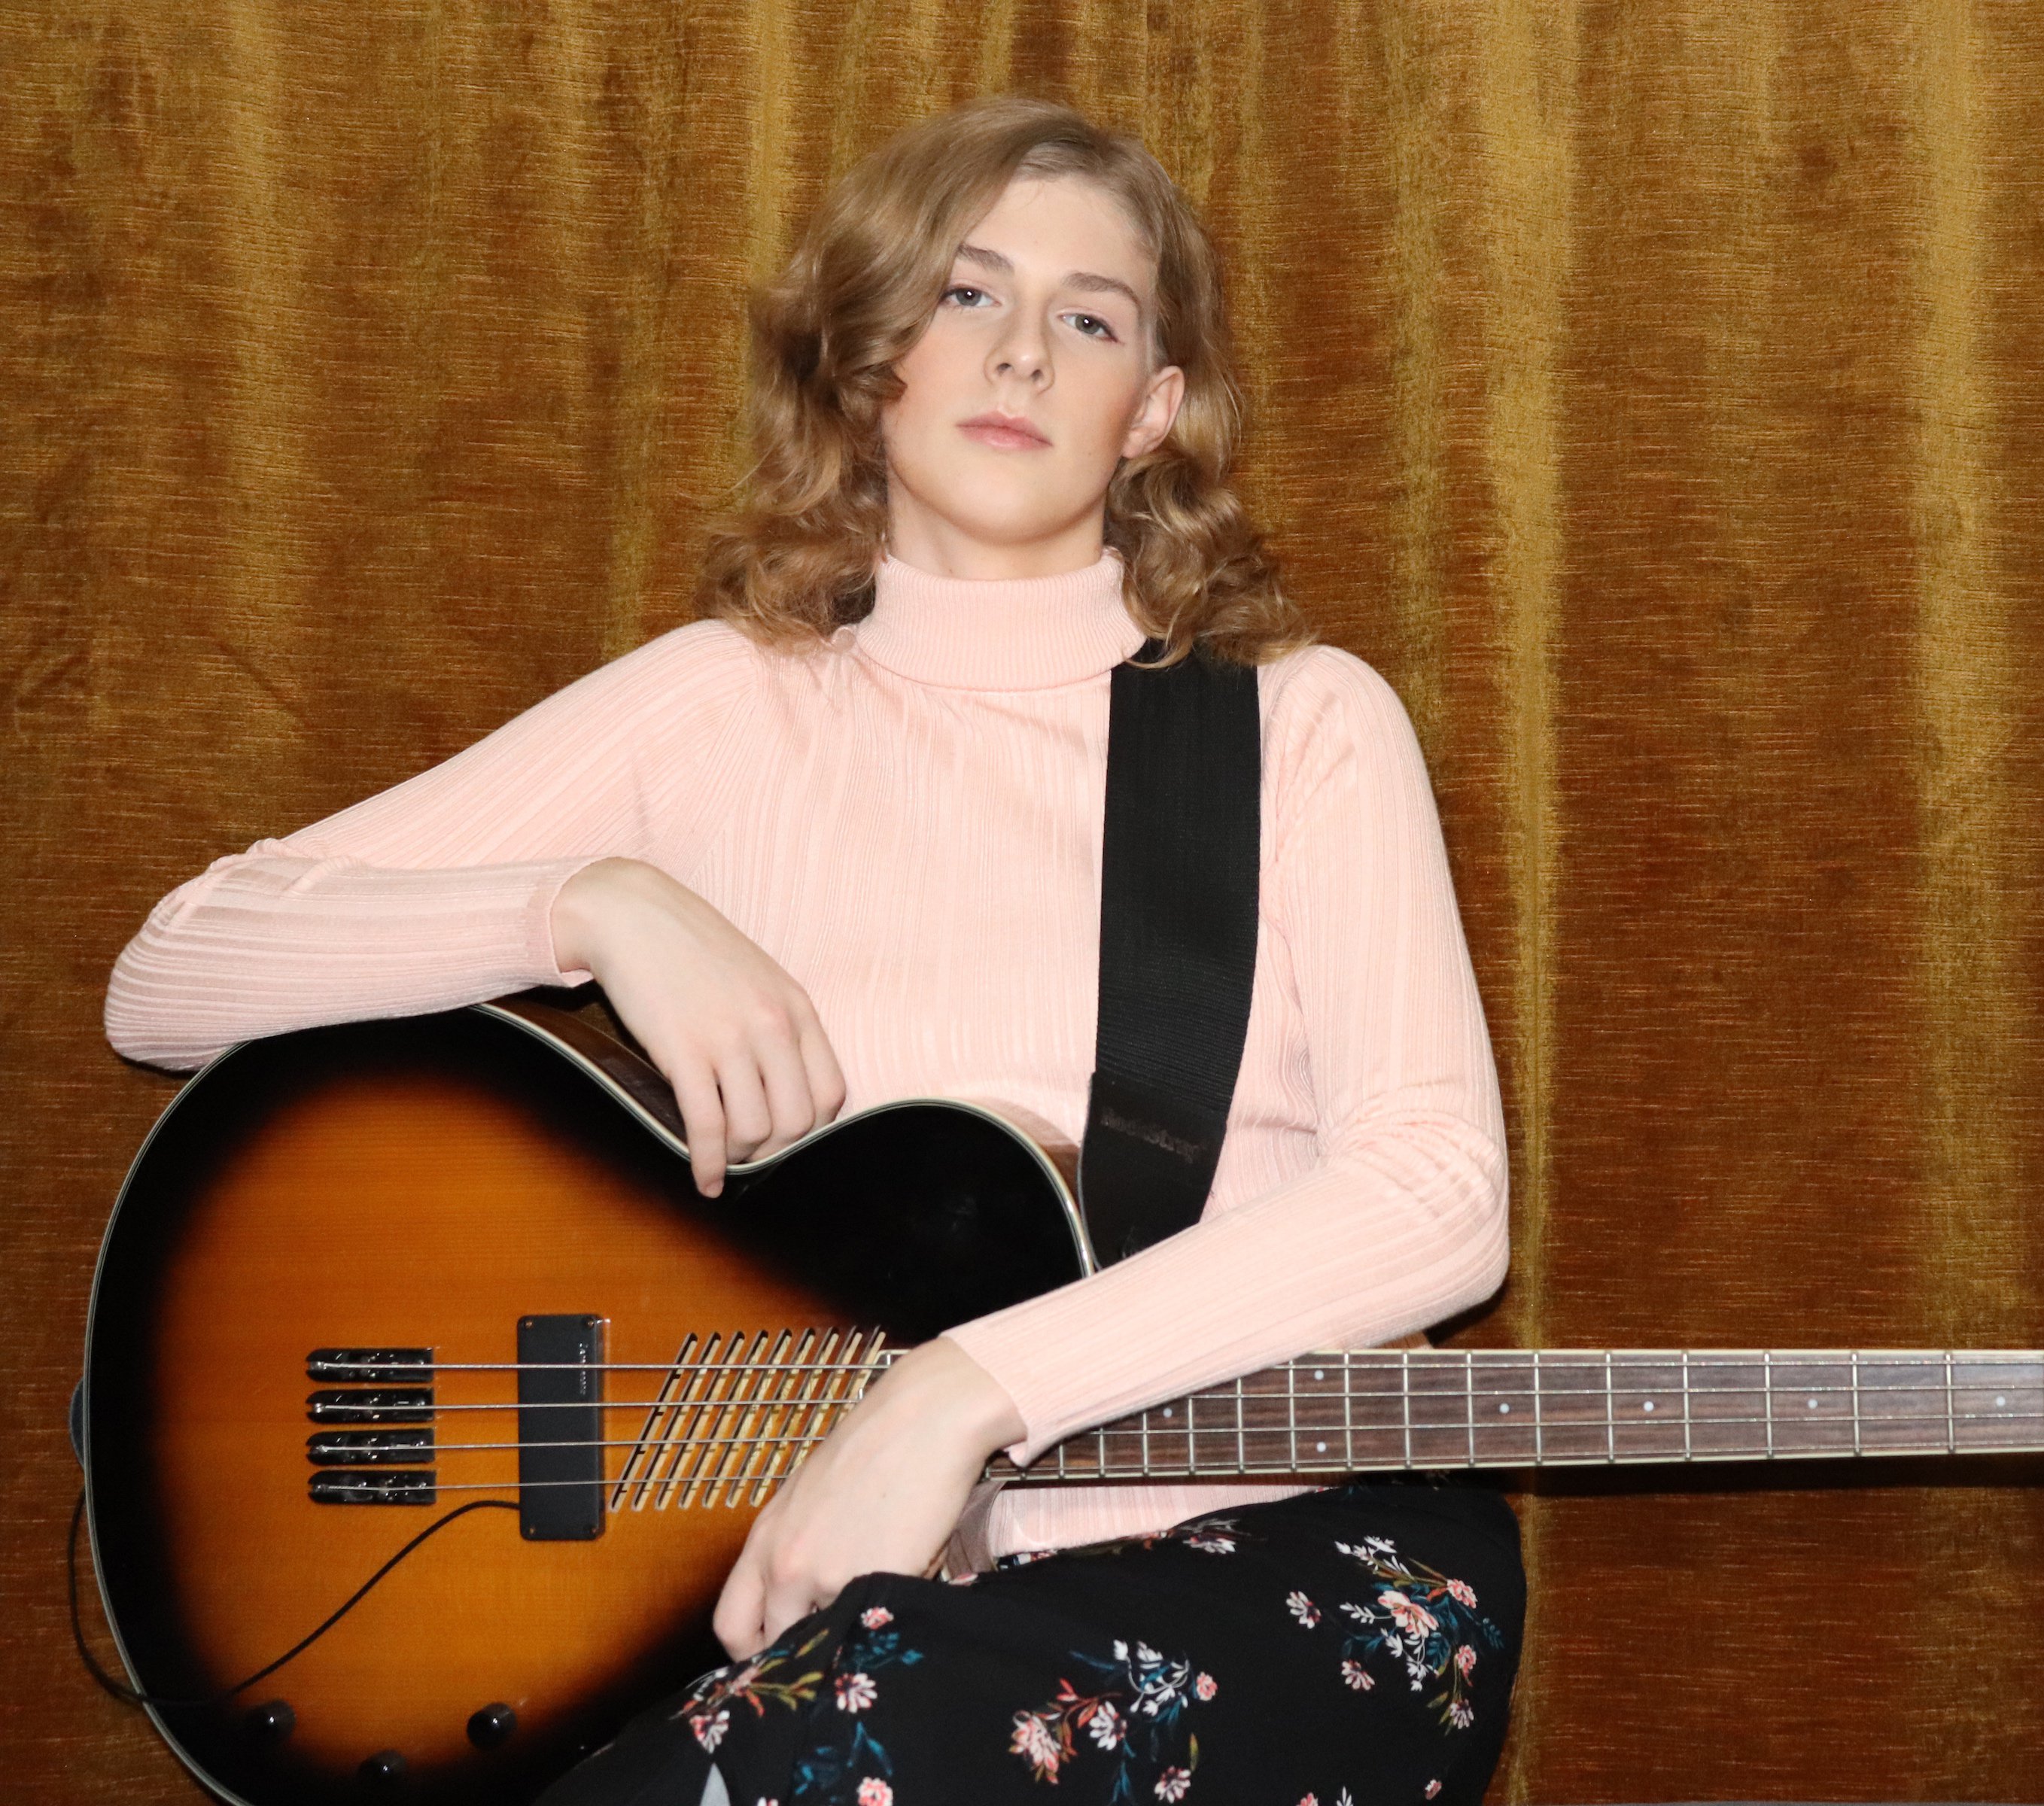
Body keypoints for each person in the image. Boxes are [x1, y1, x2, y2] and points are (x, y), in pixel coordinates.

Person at [105, 96, 1521, 1804]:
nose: (1021, 353)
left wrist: (957, 1397)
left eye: (1089, 320)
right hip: (789, 1597)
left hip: (1272, 1556)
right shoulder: (720, 709)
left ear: (1152, 411)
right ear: (869, 360)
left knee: (847, 1732)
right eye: (966, 294)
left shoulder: (1301, 728)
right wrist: (590, 905)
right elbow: (172, 974)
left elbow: (1438, 1195)